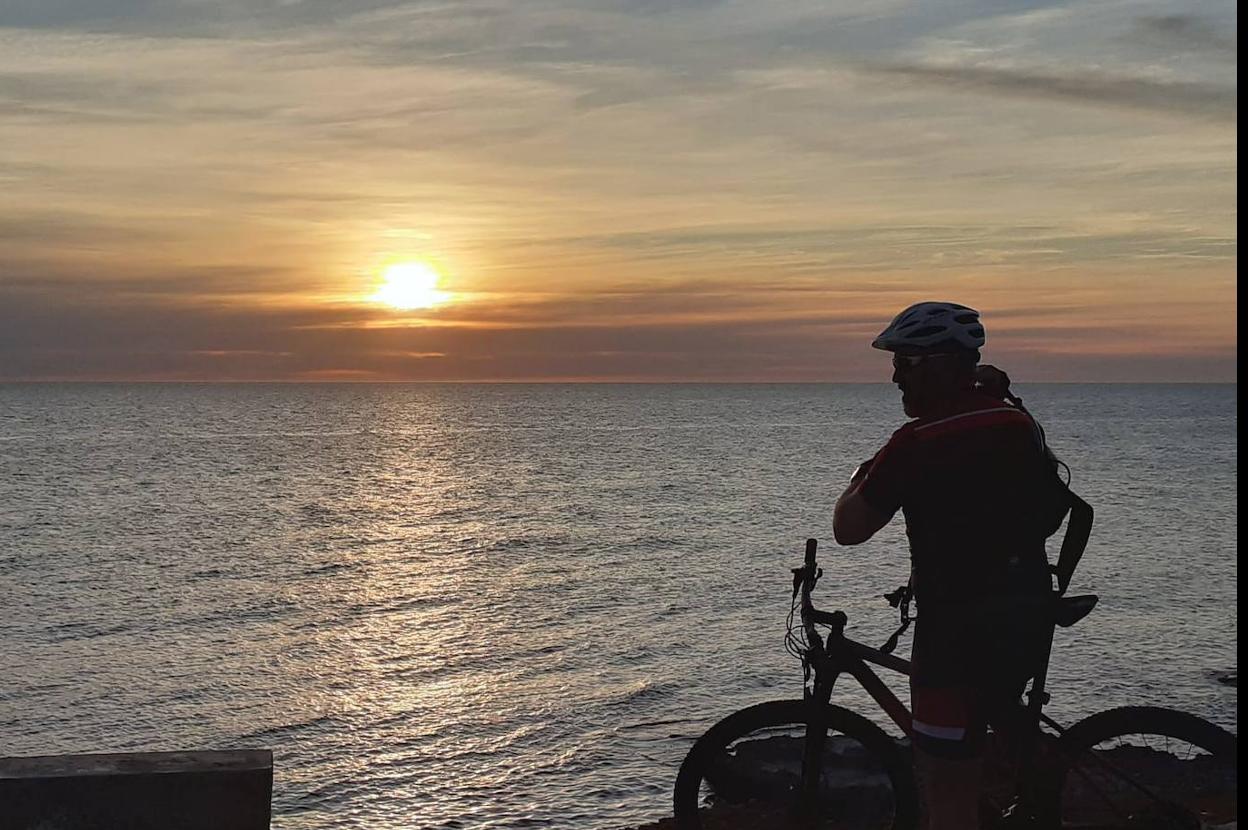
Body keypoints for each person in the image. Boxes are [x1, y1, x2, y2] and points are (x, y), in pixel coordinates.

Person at [832, 301, 1068, 830]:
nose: (895, 377)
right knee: (1002, 726)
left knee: (947, 789)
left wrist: (861, 474)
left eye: (905, 364)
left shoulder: (914, 444)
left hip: (954, 630)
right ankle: (1041, 778)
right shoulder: (1015, 421)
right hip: (1025, 609)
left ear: (937, 364)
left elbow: (848, 529)